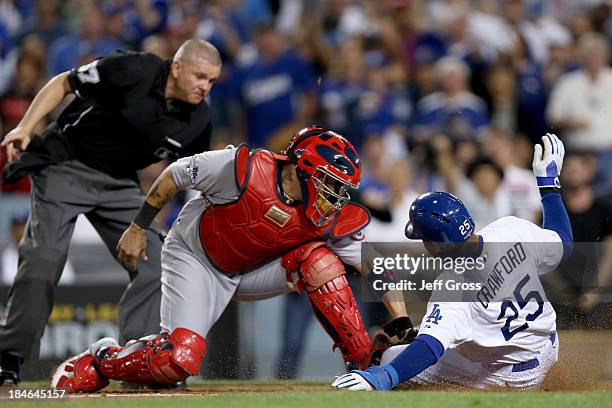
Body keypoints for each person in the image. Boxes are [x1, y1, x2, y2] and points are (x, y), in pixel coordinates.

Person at [50, 126, 412, 393]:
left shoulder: (330, 216)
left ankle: (362, 363)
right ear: (300, 168)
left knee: (320, 261)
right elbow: (174, 174)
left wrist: (400, 321)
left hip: (254, 269)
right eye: (329, 184)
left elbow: (374, 265)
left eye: (341, 190)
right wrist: (138, 226)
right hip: (196, 256)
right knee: (177, 361)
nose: (335, 198)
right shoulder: (240, 167)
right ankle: (103, 357)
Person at [0, 39, 221, 384]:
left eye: (211, 81)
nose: (204, 87)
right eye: (200, 76)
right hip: (67, 164)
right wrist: (25, 128)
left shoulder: (199, 118)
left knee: (160, 264)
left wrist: (168, 225)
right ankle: (9, 357)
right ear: (177, 68)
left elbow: (189, 175)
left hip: (119, 183)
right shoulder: (133, 68)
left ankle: (139, 359)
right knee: (44, 259)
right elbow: (62, 82)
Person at [333, 133, 573, 390]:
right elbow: (564, 243)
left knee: (390, 357)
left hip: (511, 376)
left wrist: (381, 376)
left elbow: (430, 348)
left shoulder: (452, 285)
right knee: (458, 336)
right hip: (548, 347)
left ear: (435, 245)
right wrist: (549, 187)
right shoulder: (510, 229)